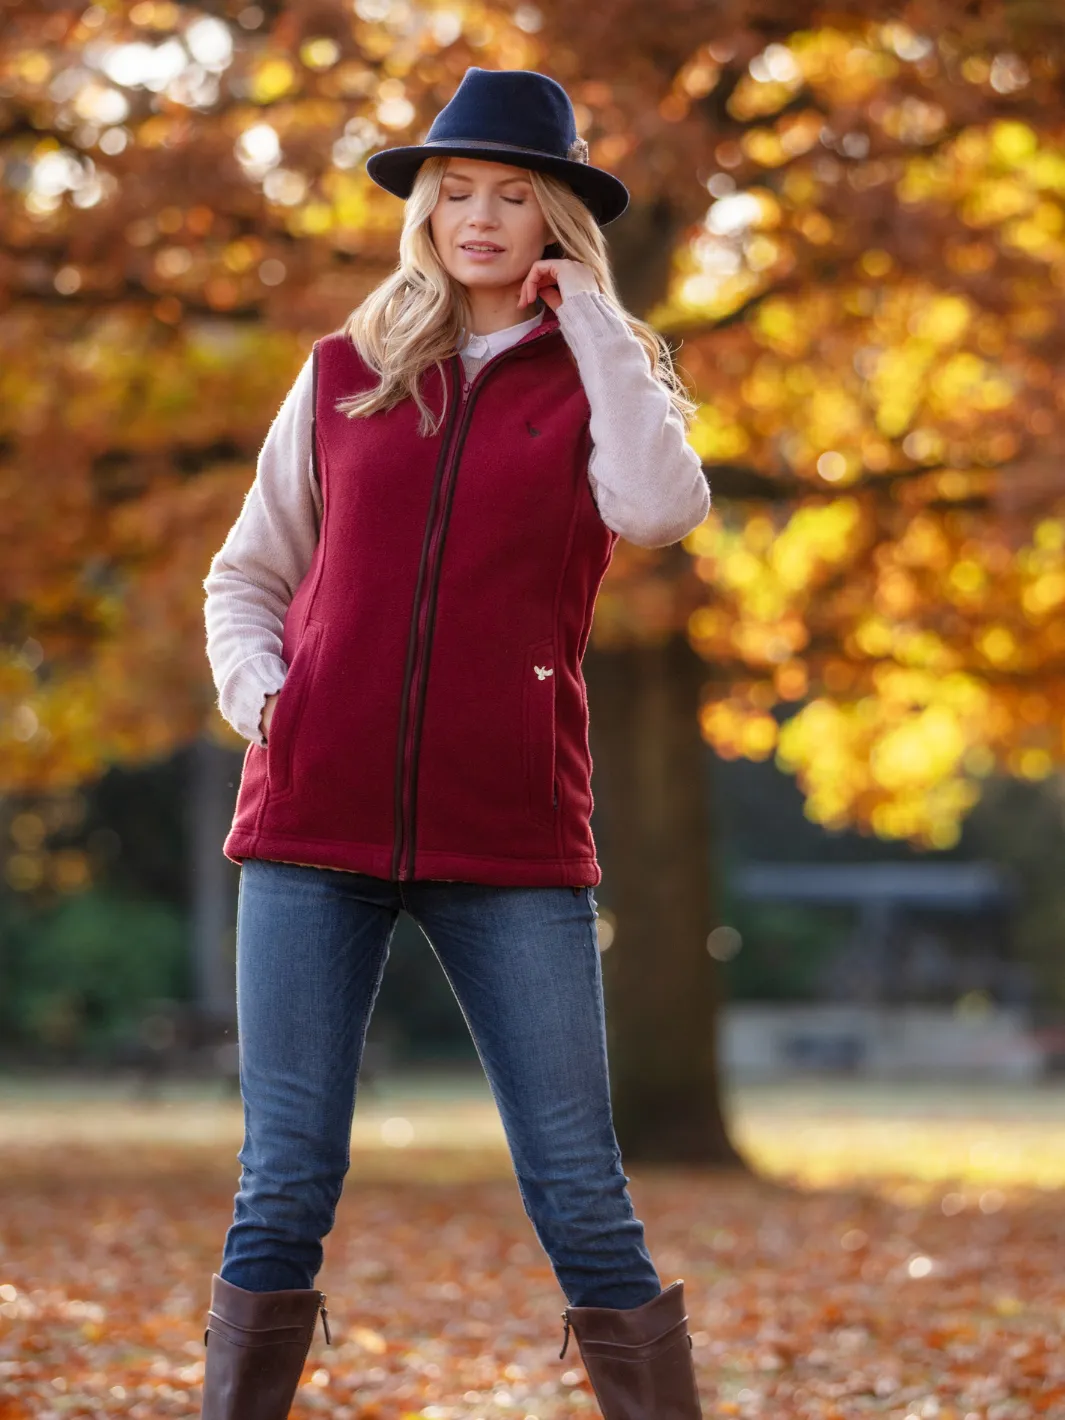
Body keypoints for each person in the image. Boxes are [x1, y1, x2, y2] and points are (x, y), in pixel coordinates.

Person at [199, 65, 710, 1420]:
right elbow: (246, 576)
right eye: (457, 193)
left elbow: (658, 511)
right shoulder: (343, 375)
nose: (480, 218)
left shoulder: (600, 381)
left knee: (581, 1190)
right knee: (284, 1184)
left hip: (514, 835)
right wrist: (267, 695)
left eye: (515, 196)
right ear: (424, 211)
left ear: (556, 220)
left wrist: (596, 323)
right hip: (310, 822)